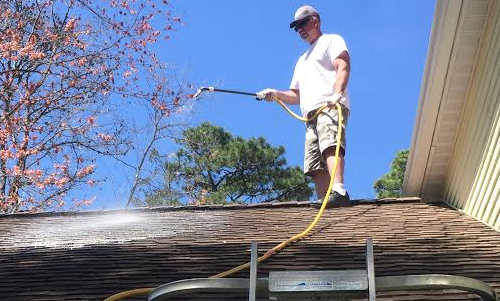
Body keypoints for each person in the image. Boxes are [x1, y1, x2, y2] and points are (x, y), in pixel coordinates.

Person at [258, 5, 351, 208]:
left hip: (329, 106)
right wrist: (275, 94)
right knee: (314, 162)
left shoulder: (331, 40)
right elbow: (296, 95)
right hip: (310, 116)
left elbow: (343, 66)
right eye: (296, 27)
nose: (299, 29)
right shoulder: (302, 60)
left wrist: (336, 95)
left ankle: (339, 190)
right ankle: (325, 201)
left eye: (302, 24)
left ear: (315, 20)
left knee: (330, 145)